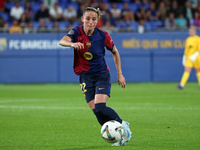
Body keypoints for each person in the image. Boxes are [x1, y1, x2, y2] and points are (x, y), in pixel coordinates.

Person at [59, 7, 132, 146]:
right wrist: (72, 43)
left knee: (100, 107)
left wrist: (120, 74)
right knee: (96, 112)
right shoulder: (76, 32)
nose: (90, 22)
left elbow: (115, 52)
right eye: (88, 19)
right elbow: (62, 41)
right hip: (85, 77)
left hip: (101, 74)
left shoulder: (103, 36)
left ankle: (123, 126)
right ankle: (118, 137)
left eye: (93, 19)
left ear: (97, 20)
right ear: (82, 20)